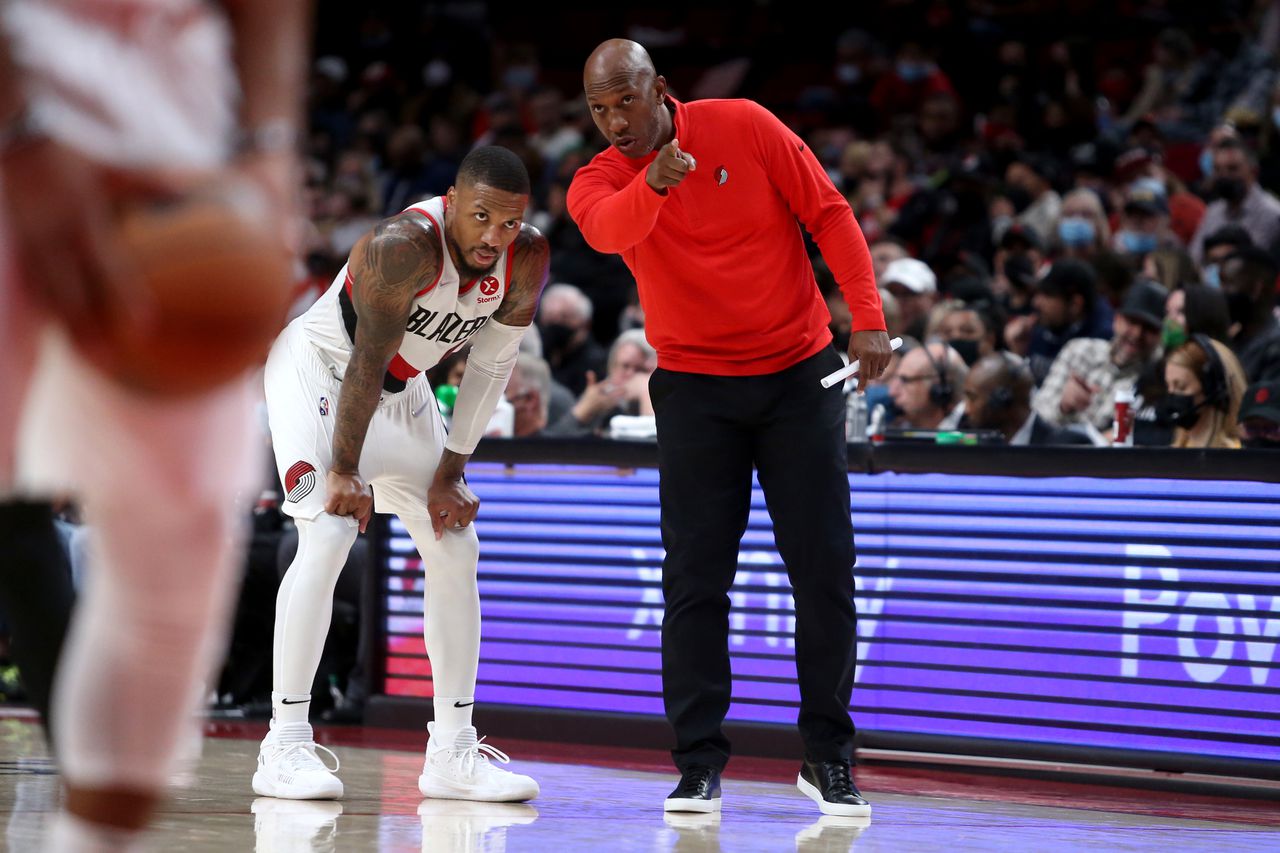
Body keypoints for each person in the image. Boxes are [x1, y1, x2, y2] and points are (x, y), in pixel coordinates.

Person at [0, 0, 309, 849]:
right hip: (27, 92)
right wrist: (18, 126)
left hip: (178, 139)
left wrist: (270, 145)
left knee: (179, 544)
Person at [567, 38, 891, 819]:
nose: (615, 120)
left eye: (626, 100)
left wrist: (869, 315)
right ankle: (699, 762)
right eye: (600, 109)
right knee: (695, 579)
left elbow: (829, 211)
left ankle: (828, 755)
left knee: (824, 570)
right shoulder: (597, 179)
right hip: (694, 388)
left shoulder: (744, 123)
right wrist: (655, 182)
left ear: (661, 89)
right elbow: (607, 232)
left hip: (798, 374)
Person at [256, 146, 548, 803]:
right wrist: (344, 469)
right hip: (318, 372)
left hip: (400, 387)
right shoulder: (403, 244)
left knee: (455, 543)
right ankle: (284, 743)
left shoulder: (526, 255)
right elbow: (366, 359)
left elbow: (492, 364)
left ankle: (452, 752)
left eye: (509, 222)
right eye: (481, 217)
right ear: (452, 201)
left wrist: (452, 470)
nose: (495, 236)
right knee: (329, 532)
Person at [1034, 279, 1167, 432]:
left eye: (1149, 328)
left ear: (1160, 335)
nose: (1137, 334)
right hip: (1053, 444)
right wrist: (1063, 406)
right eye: (1132, 322)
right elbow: (1037, 415)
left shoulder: (1157, 379)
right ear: (1117, 320)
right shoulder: (1079, 350)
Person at [962, 353, 1092, 445]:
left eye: (972, 398)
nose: (966, 410)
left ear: (1002, 400)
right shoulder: (969, 439)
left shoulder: (1066, 445)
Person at [1161, 335, 1247, 449]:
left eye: (1181, 387)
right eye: (1168, 386)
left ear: (1211, 388)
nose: (1172, 394)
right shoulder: (1173, 450)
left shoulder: (1233, 454)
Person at [888, 341, 967, 429]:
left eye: (905, 380)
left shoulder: (969, 429)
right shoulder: (896, 427)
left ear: (939, 389)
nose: (892, 392)